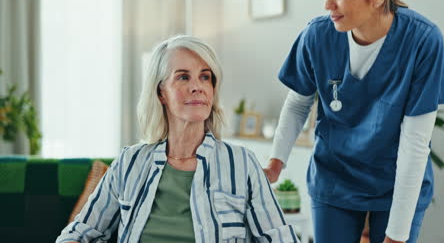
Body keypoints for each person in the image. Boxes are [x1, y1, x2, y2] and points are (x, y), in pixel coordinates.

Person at [56, 35, 299, 243]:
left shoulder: (242, 164)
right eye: (183, 77)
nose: (198, 87)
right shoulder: (129, 162)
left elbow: (278, 237)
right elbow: (79, 232)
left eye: (205, 77)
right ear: (161, 92)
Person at [263, 0, 444, 243]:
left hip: (396, 182)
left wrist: (396, 236)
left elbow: (416, 142)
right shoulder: (317, 36)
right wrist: (275, 163)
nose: (327, 4)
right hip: (335, 178)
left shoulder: (422, 40)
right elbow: (298, 103)